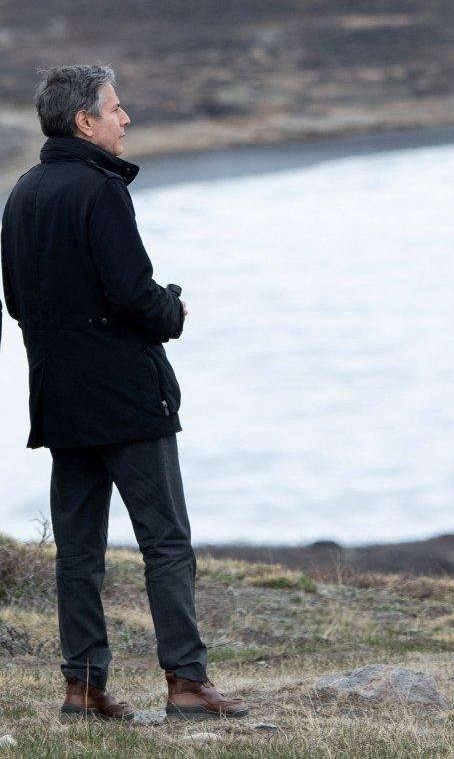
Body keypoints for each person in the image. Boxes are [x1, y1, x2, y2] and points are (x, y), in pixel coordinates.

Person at [0, 65, 248, 721]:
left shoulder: (22, 193)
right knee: (165, 543)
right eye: (115, 108)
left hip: (60, 401)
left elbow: (17, 302)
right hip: (128, 402)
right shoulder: (100, 191)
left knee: (78, 552)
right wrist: (171, 309)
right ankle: (188, 685)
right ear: (85, 121)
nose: (125, 118)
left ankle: (82, 688)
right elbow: (134, 293)